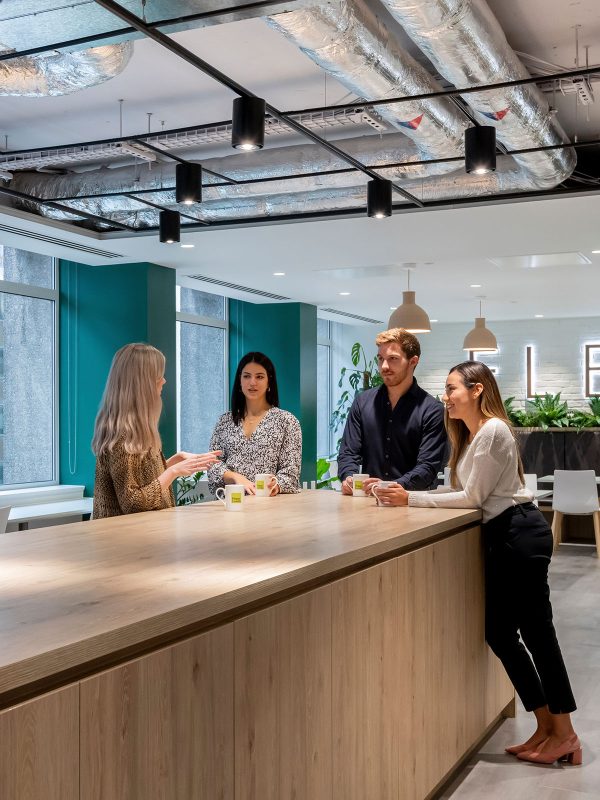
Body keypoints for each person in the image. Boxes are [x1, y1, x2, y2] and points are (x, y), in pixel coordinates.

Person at [374, 361, 580, 766]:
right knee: (501, 634)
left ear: (477, 390)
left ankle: (566, 733)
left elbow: (472, 497)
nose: (445, 397)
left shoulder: (493, 431)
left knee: (538, 636)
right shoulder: (472, 437)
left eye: (452, 389)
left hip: (520, 534)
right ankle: (545, 725)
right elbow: (470, 493)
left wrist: (410, 498)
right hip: (505, 536)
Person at [92, 343, 221, 518]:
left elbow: (142, 481)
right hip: (123, 540)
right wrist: (173, 472)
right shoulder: (122, 436)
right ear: (143, 384)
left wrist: (176, 460)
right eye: (158, 375)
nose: (164, 380)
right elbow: (133, 502)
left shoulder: (135, 430)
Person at [337, 328, 446, 495]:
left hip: (412, 504)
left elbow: (428, 466)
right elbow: (348, 452)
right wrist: (349, 477)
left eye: (393, 359)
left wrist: (390, 487)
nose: (384, 366)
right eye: (381, 359)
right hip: (367, 503)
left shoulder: (432, 410)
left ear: (413, 361)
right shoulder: (362, 402)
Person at [207, 351, 301, 496]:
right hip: (231, 504)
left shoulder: (287, 421)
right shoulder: (224, 421)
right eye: (246, 376)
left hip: (270, 506)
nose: (252, 382)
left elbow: (291, 473)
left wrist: (275, 486)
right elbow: (213, 463)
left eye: (259, 377)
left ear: (269, 381)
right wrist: (234, 476)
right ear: (239, 380)